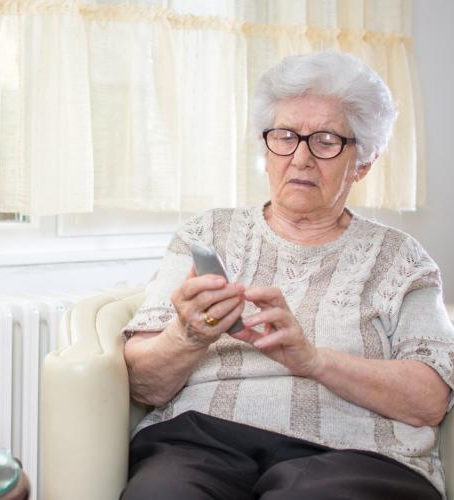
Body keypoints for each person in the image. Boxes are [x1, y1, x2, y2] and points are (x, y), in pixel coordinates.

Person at [121, 51, 454, 500]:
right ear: (267, 147)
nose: (300, 158)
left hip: (353, 456)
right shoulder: (206, 233)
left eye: (326, 141)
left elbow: (430, 400)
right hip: (201, 442)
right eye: (285, 136)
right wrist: (188, 334)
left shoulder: (401, 259)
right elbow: (145, 384)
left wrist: (312, 360)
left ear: (364, 162)